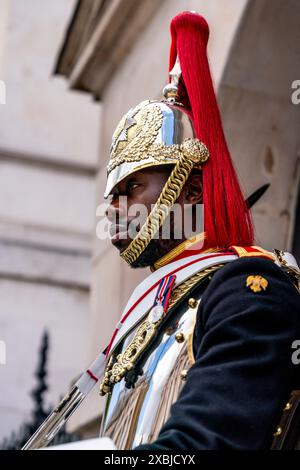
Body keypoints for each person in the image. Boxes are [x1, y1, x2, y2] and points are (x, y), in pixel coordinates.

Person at [98, 11, 300, 450]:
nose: (114, 209)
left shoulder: (247, 291)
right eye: (113, 194)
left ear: (190, 192)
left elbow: (203, 446)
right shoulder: (150, 312)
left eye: (132, 186)